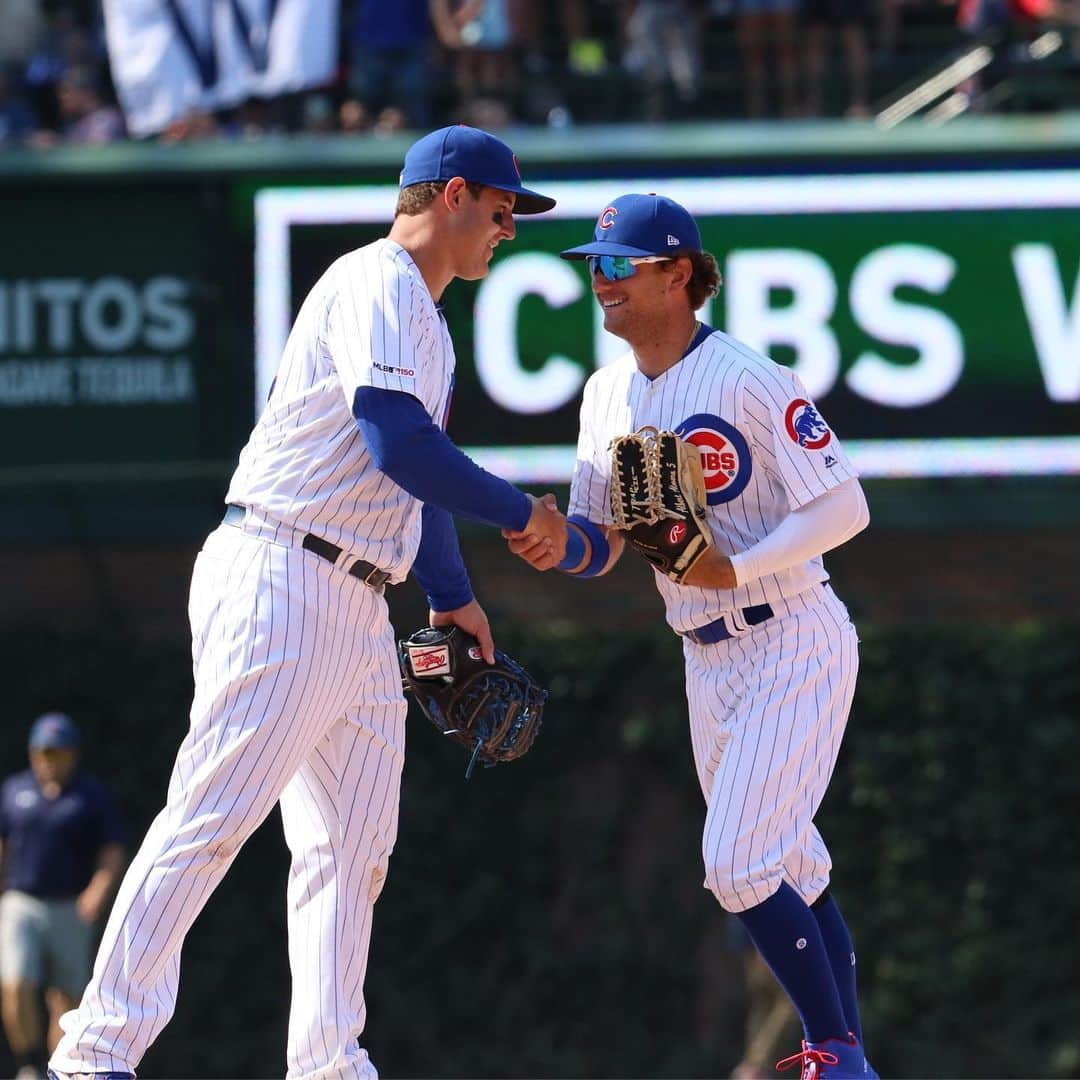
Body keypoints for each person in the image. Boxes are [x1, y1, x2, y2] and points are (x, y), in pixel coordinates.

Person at [48, 124, 566, 1080]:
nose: (510, 229)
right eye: (503, 210)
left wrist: (453, 600)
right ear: (452, 196)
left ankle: (329, 1064)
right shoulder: (375, 279)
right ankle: (94, 1052)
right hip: (283, 573)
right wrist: (522, 515)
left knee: (352, 846)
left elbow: (415, 485)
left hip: (359, 599)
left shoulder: (428, 322)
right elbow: (398, 445)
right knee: (211, 815)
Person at [504, 193, 877, 1078]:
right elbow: (602, 541)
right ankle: (848, 1055)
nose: (603, 283)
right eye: (595, 268)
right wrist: (558, 543)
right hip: (703, 654)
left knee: (737, 862)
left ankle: (835, 1052)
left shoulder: (747, 375)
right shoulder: (605, 395)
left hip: (790, 632)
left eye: (621, 266)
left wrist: (736, 569)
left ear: (681, 274)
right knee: (792, 865)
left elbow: (847, 505)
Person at [0, 713, 127, 1080]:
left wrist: (97, 892)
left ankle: (59, 1070)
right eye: (41, 752)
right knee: (15, 983)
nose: (47, 760)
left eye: (56, 753)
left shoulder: (91, 797)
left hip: (71, 907)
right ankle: (29, 1064)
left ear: (72, 754)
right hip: (20, 901)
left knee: (65, 997)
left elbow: (112, 849)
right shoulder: (14, 790)